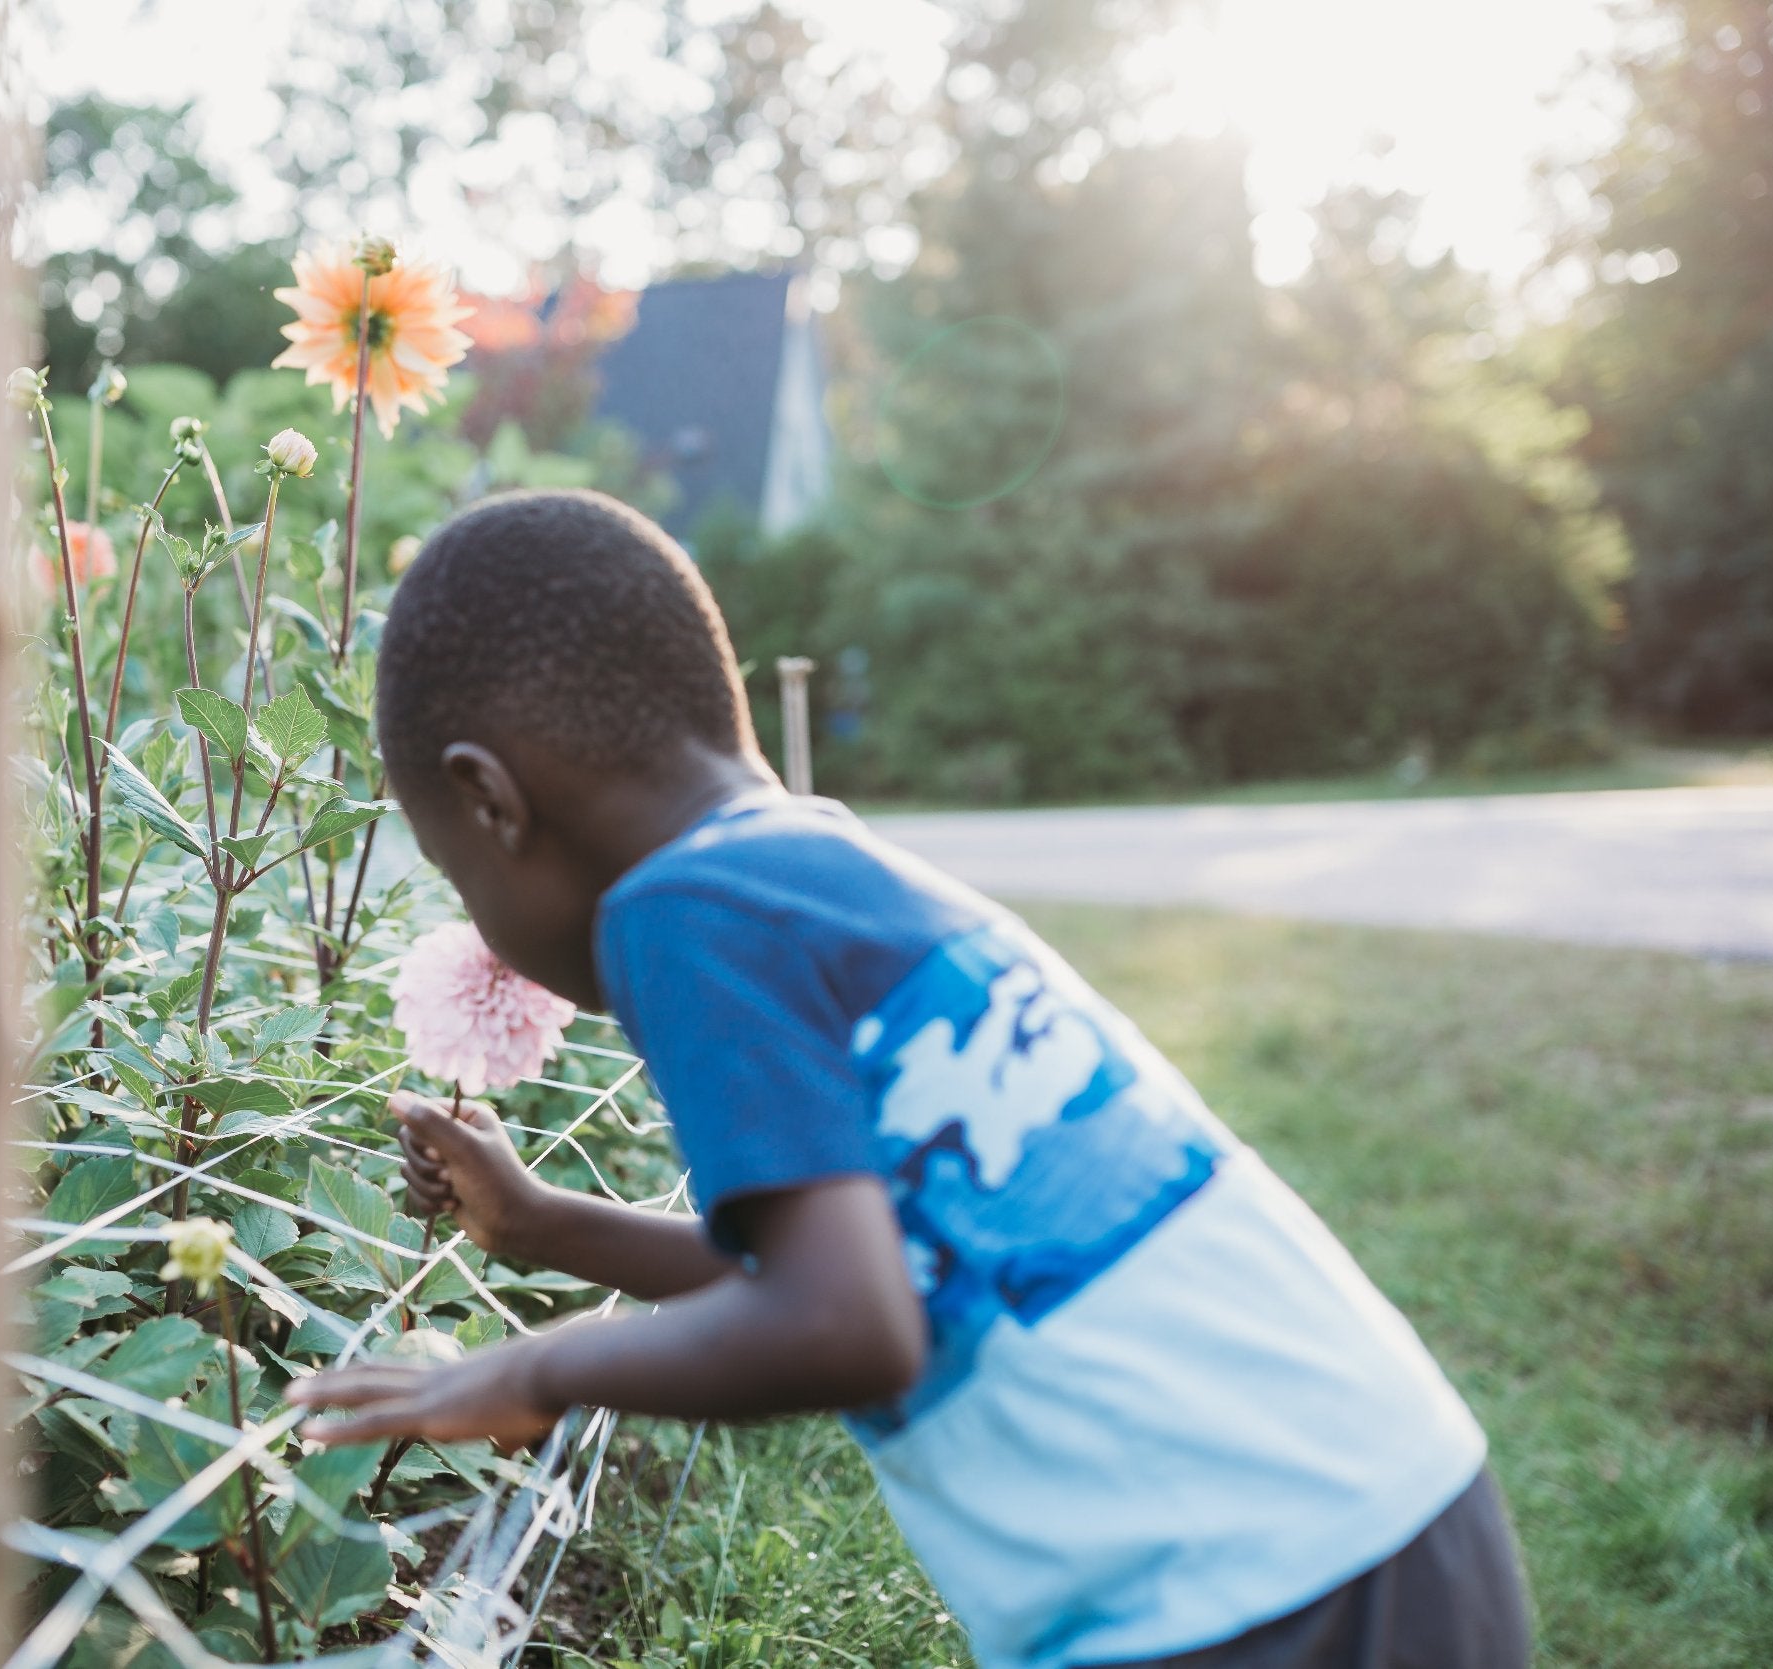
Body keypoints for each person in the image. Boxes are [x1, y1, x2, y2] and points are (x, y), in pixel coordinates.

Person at [286, 489, 1531, 1669]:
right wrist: (553, 1227)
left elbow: (846, 1326)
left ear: (488, 799)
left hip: (1240, 1593)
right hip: (1389, 1502)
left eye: (457, 882)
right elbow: (882, 1259)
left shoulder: (680, 915)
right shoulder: (807, 861)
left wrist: (530, 1371)